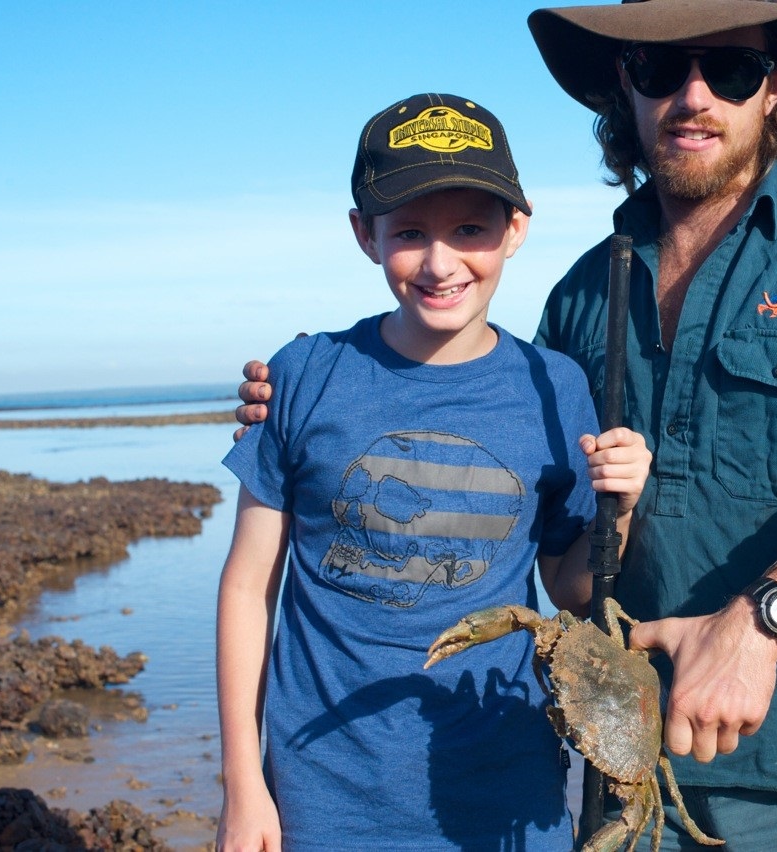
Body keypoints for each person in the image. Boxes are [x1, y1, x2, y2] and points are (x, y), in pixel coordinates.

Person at [236, 2, 777, 847]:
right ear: (624, 88)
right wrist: (299, 397)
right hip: (621, 774)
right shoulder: (587, 295)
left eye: (729, 69)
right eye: (659, 69)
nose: (691, 95)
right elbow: (547, 526)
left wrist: (757, 628)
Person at [216, 92, 651, 851]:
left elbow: (572, 589)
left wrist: (623, 506)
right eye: (410, 232)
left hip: (509, 793)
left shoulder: (556, 386)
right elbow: (249, 586)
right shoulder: (305, 374)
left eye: (470, 229)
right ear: (365, 234)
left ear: (516, 229)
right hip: (325, 797)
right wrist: (243, 785)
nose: (441, 261)